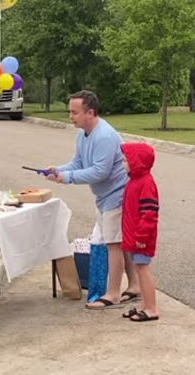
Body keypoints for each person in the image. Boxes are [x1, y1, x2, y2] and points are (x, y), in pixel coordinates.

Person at [47, 90, 140, 309]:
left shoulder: (105, 135)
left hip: (117, 195)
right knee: (120, 242)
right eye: (70, 111)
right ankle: (134, 285)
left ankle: (113, 293)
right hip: (104, 197)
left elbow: (100, 172)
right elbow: (78, 162)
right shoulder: (82, 134)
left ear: (90, 112)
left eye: (75, 112)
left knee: (113, 244)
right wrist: (57, 170)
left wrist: (67, 177)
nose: (71, 116)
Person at [119, 143, 160, 322]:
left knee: (143, 269)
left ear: (137, 162)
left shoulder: (146, 184)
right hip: (134, 235)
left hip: (142, 237)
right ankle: (144, 304)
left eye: (126, 160)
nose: (123, 163)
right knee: (138, 268)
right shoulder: (135, 180)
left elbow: (149, 214)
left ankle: (151, 308)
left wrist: (142, 237)